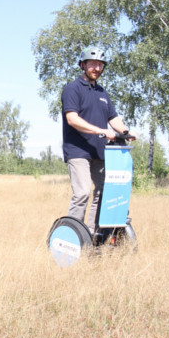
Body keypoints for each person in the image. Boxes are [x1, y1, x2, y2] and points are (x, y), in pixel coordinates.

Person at [61, 47, 137, 233]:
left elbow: (113, 118)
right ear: (83, 65)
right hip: (78, 151)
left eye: (100, 65)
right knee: (82, 193)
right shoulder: (72, 89)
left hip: (99, 152)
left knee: (104, 192)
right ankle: (73, 235)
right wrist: (101, 131)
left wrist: (126, 131)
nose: (96, 68)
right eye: (93, 64)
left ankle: (92, 234)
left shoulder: (102, 93)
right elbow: (72, 119)